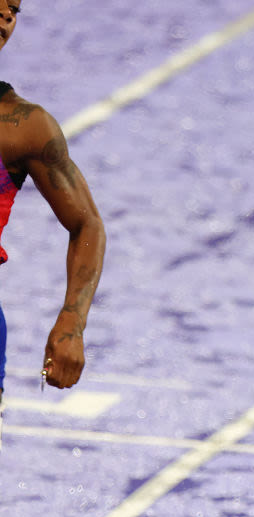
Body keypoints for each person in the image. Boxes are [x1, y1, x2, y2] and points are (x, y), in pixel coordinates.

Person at [0, 0, 106, 408]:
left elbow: (87, 225)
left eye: (15, 8)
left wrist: (72, 322)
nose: (7, 14)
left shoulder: (23, 126)